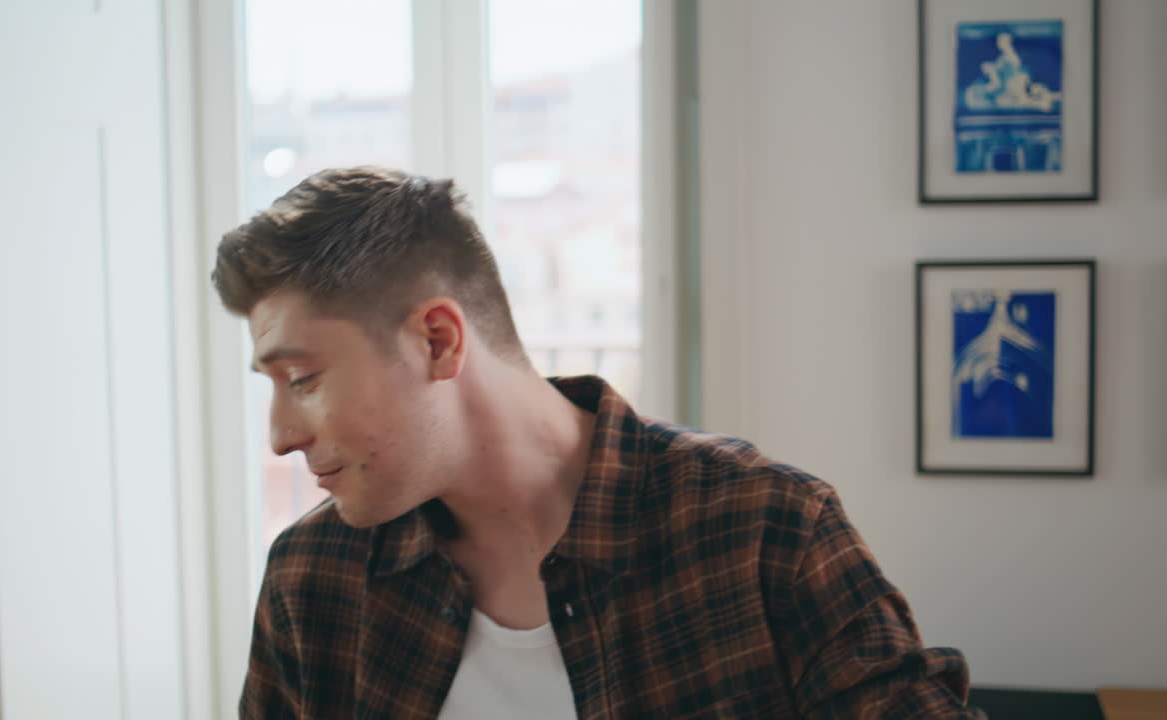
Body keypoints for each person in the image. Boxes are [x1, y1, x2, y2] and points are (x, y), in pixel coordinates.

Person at [214, 167, 984, 719]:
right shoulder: (313, 580)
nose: (281, 437)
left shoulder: (767, 532)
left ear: (437, 341)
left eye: (304, 378)